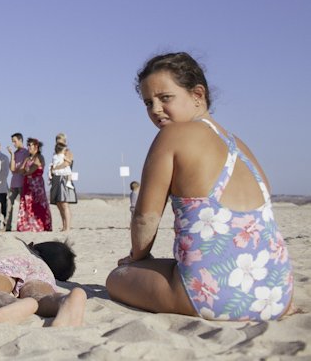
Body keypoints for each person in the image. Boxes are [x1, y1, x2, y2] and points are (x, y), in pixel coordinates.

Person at [107, 52, 294, 321]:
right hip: (278, 294)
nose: (155, 109)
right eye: (148, 102)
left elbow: (145, 218)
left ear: (197, 94)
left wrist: (137, 258)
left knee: (118, 277)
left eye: (165, 98)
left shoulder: (171, 136)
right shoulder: (240, 147)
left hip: (212, 298)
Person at [0, 238, 85, 326]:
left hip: (9, 259)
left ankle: (10, 303)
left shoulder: (12, 241)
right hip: (40, 270)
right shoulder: (43, 265)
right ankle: (63, 300)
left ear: (31, 245)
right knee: (42, 297)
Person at [16, 138, 52, 232]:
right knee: (27, 204)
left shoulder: (40, 157)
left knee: (38, 204)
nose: (28, 147)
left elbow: (33, 168)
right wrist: (25, 171)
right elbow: (20, 169)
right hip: (27, 184)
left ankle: (40, 225)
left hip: (37, 185)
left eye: (30, 145)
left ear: (36, 146)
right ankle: (27, 225)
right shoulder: (27, 158)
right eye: (28, 145)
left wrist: (26, 172)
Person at [49, 141, 77, 232]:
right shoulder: (55, 156)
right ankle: (64, 225)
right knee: (59, 203)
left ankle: (67, 227)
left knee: (64, 203)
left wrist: (56, 168)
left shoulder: (66, 153)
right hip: (56, 178)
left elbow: (67, 163)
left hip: (62, 178)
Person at [6, 133, 28, 231]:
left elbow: (22, 169)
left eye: (15, 141)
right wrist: (12, 155)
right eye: (12, 142)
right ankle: (7, 226)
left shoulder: (26, 152)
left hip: (23, 183)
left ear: (20, 140)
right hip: (14, 182)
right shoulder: (15, 153)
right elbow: (12, 169)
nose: (13, 144)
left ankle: (23, 226)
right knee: (9, 203)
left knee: (23, 205)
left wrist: (18, 169)